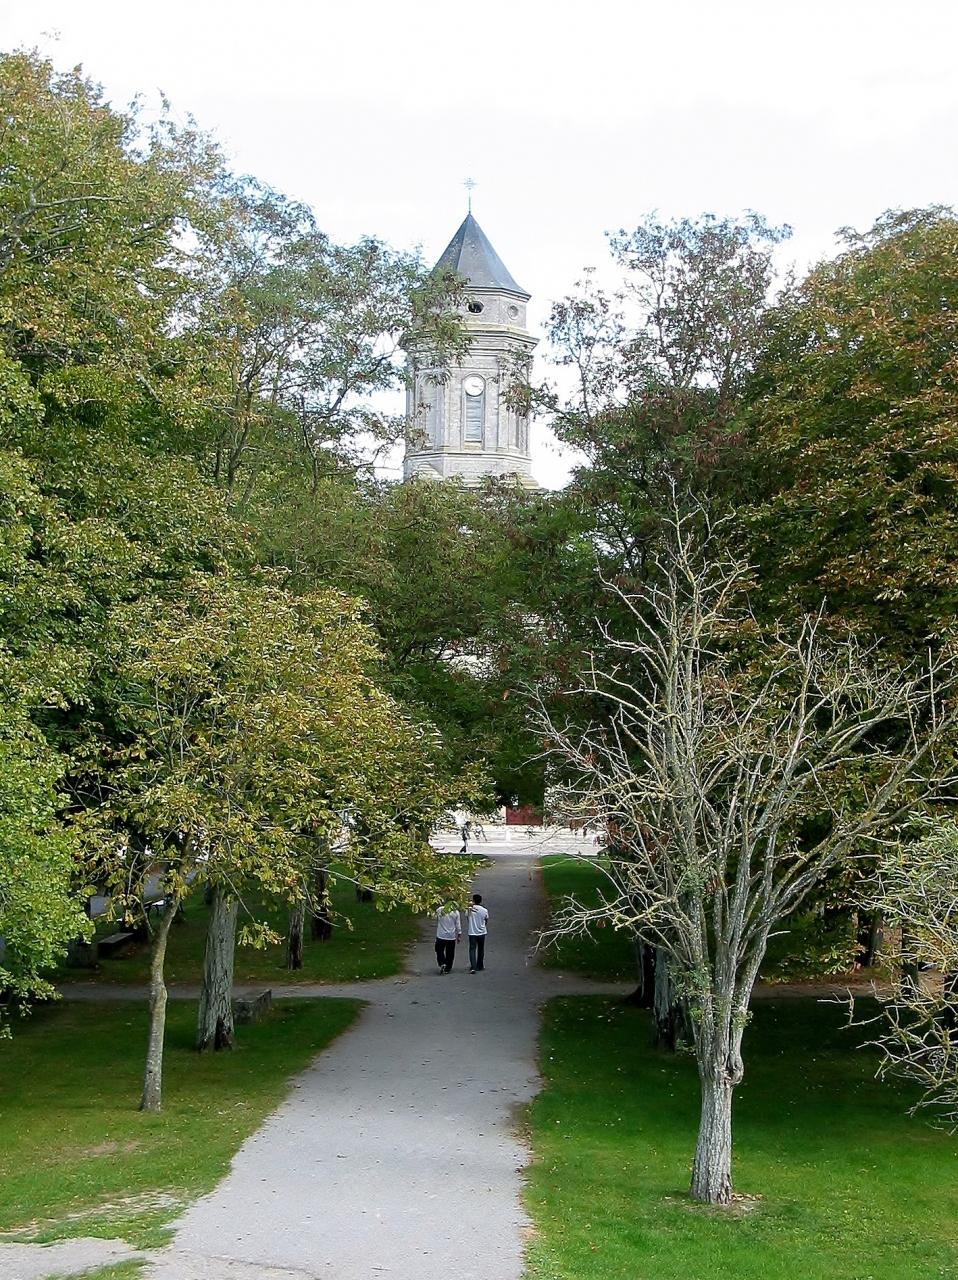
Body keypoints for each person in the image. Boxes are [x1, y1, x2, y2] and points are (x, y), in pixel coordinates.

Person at [434, 904, 461, 974]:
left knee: (439, 950)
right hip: (451, 936)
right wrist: (459, 934)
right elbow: (458, 924)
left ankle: (442, 962)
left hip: (441, 935)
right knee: (450, 953)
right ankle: (448, 968)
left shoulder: (440, 910)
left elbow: (435, 916)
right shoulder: (455, 912)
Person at [467, 893, 489, 972]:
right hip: (482, 932)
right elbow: (486, 919)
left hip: (472, 932)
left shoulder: (470, 909)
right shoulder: (484, 910)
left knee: (472, 949)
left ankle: (473, 966)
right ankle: (480, 965)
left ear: (473, 900)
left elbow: (467, 917)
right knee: (481, 949)